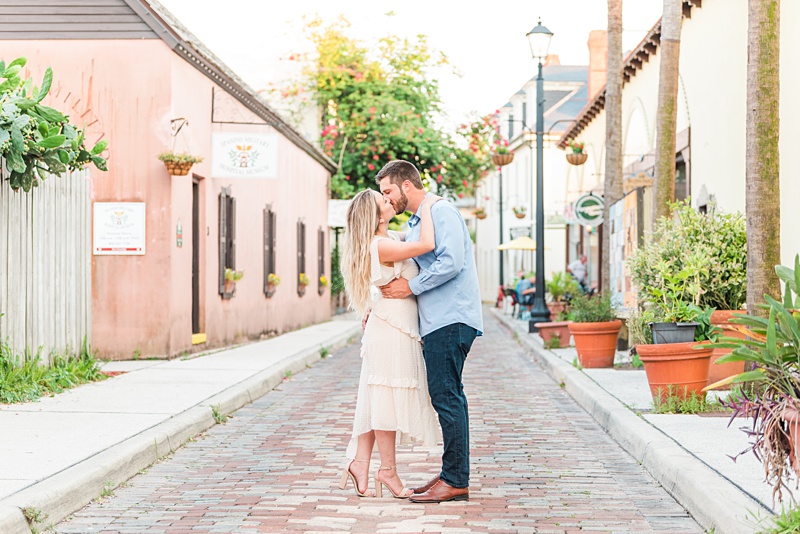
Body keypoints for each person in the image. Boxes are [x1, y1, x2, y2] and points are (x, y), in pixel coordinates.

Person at [378, 160, 483, 503]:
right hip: (441, 320)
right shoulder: (417, 221)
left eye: (388, 191)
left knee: (447, 397)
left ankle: (455, 480)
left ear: (407, 186)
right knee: (446, 396)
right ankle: (452, 473)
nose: (387, 198)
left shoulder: (441, 211)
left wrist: (412, 287)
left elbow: (451, 261)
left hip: (450, 319)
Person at [338, 189, 442, 499]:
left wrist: (371, 305)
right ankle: (388, 471)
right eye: (384, 201)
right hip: (391, 330)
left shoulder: (390, 238)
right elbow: (426, 244)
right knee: (385, 398)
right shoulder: (382, 243)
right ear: (378, 215)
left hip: (393, 325)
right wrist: (428, 204)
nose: (390, 201)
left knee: (378, 396)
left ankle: (360, 462)